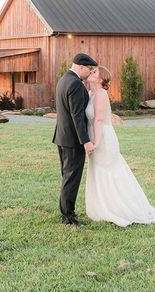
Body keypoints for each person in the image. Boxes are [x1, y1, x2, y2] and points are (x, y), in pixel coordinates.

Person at [84, 66, 155, 227]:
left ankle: (121, 208)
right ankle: (104, 207)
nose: (91, 72)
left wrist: (95, 142)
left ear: (102, 79)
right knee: (98, 172)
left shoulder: (101, 94)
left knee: (112, 172)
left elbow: (98, 120)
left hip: (103, 138)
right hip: (95, 135)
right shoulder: (91, 94)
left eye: (95, 72)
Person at [53, 52, 98, 226]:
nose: (90, 71)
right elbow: (77, 116)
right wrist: (85, 141)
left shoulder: (64, 80)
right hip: (73, 140)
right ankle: (68, 216)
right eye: (89, 68)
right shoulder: (75, 84)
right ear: (81, 66)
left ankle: (66, 211)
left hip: (62, 137)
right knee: (72, 177)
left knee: (67, 176)